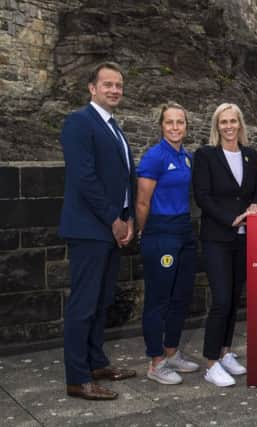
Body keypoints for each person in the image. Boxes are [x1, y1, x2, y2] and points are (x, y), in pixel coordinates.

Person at [59, 61, 137, 400]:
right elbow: (84, 178)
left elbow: (123, 179)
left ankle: (95, 362)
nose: (114, 90)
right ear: (92, 88)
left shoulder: (114, 127)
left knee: (102, 300)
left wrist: (129, 216)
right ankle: (77, 378)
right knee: (83, 304)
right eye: (107, 84)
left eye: (118, 85)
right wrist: (114, 218)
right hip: (90, 229)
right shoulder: (79, 122)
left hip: (110, 228)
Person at [192, 103, 257, 387]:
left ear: (240, 124)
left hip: (246, 238)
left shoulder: (249, 155)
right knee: (221, 300)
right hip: (218, 237)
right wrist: (231, 219)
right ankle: (211, 362)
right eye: (223, 122)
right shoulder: (206, 155)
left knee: (235, 299)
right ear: (217, 125)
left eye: (233, 121)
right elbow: (203, 196)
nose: (229, 126)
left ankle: (225, 352)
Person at [136, 102, 200, 385]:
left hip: (184, 230)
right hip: (160, 232)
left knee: (181, 296)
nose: (175, 127)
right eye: (169, 122)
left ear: (186, 126)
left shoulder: (185, 156)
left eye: (180, 122)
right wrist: (142, 231)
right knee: (158, 300)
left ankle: (171, 352)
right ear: (161, 126)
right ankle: (156, 361)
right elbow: (142, 201)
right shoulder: (154, 156)